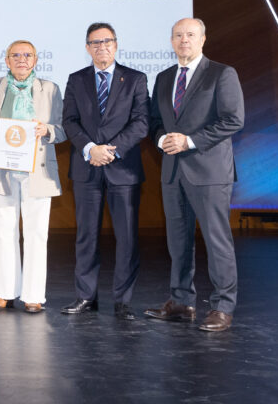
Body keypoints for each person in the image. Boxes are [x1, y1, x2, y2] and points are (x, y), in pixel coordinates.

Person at [145, 18, 244, 332]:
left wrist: (189, 141)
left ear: (203, 39)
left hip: (210, 172)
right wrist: (162, 139)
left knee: (217, 242)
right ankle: (182, 302)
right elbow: (154, 121)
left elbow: (233, 120)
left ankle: (222, 307)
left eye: (190, 34)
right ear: (171, 41)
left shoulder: (222, 74)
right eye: (178, 35)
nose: (183, 40)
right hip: (173, 173)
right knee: (178, 242)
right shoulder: (163, 78)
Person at [61, 22, 150, 320]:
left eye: (107, 41)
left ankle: (123, 301)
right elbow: (70, 121)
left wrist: (110, 150)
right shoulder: (76, 80)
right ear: (87, 47)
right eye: (95, 43)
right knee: (86, 236)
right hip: (87, 169)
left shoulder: (136, 79)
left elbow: (141, 122)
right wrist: (90, 149)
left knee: (126, 237)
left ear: (116, 44)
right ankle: (86, 297)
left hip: (123, 169)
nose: (102, 47)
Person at [0, 40, 65, 313]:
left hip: (39, 170)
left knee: (37, 234)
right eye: (16, 55)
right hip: (0, 169)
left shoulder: (50, 89)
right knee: (2, 232)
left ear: (36, 59)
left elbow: (62, 129)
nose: (22, 59)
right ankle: (3, 292)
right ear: (7, 60)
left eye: (27, 55)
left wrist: (46, 129)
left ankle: (34, 295)